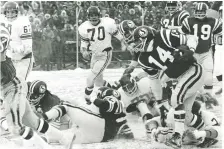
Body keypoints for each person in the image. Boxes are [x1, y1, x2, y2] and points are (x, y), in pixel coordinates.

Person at [129, 26, 204, 148]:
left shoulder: (164, 35)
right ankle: (206, 133)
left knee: (175, 99)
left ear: (146, 37)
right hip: (180, 79)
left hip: (192, 70)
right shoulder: (143, 59)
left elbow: (191, 37)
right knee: (187, 116)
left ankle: (177, 136)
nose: (136, 44)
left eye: (138, 40)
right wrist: (159, 102)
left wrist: (190, 49)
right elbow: (154, 81)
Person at [27, 85, 134, 144]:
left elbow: (107, 104)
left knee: (66, 106)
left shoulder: (112, 101)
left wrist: (98, 100)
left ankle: (43, 117)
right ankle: (44, 139)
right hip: (100, 137)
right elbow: (127, 132)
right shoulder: (119, 113)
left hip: (97, 123)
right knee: (64, 137)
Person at [78, 6, 124, 104]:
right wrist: (84, 51)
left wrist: (124, 43)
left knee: (90, 78)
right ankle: (113, 90)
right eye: (91, 16)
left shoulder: (107, 23)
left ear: (99, 15)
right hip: (94, 55)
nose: (93, 18)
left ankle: (87, 99)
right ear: (88, 16)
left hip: (105, 54)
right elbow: (84, 42)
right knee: (98, 82)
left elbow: (118, 35)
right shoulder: (84, 27)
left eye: (95, 15)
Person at [181, 2, 222, 106]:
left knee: (208, 77)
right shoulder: (188, 21)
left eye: (202, 12)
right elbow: (182, 35)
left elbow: (219, 34)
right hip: (192, 53)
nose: (199, 14)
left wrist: (218, 40)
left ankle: (208, 100)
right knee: (193, 77)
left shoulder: (213, 21)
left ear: (206, 12)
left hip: (206, 52)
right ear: (194, 11)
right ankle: (197, 97)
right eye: (198, 11)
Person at [148, 100, 221, 148]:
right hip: (182, 138)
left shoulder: (205, 116)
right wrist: (153, 129)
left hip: (200, 138)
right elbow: (152, 121)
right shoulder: (175, 115)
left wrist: (202, 133)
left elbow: (218, 133)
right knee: (161, 136)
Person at [2, 1, 34, 80]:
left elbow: (28, 47)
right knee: (8, 84)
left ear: (17, 12)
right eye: (8, 12)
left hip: (23, 59)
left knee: (20, 83)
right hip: (10, 59)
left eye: (12, 12)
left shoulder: (22, 23)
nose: (10, 14)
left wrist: (13, 49)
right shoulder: (2, 21)